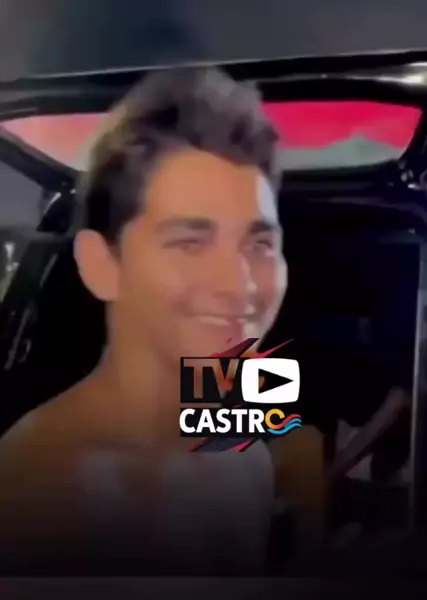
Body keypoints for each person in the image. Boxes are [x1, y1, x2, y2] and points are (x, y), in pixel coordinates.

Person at [0, 68, 324, 575]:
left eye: (260, 243)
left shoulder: (243, 453)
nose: (239, 284)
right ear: (102, 265)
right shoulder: (35, 493)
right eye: (190, 243)